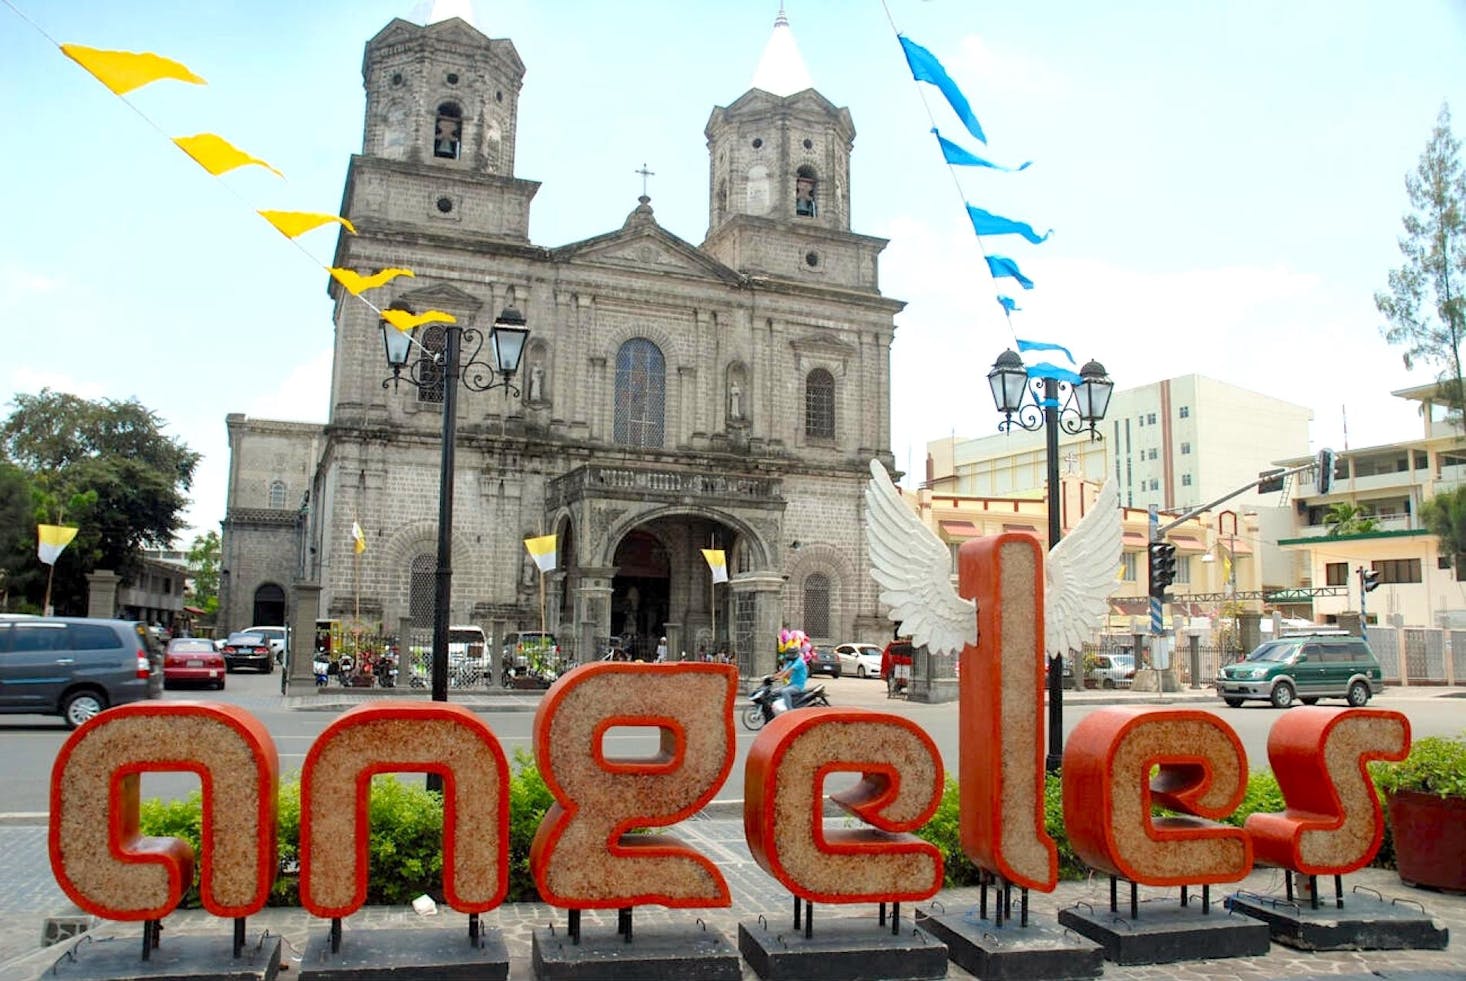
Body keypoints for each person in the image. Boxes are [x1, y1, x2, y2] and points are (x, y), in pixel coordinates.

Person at [773, 646, 808, 712]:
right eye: (788, 653)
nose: (789, 655)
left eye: (791, 653)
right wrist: (772, 677)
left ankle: (790, 710)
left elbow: (790, 670)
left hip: (798, 686)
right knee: (775, 691)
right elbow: (783, 671)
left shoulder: (799, 662)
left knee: (785, 691)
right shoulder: (791, 662)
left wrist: (782, 677)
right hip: (791, 684)